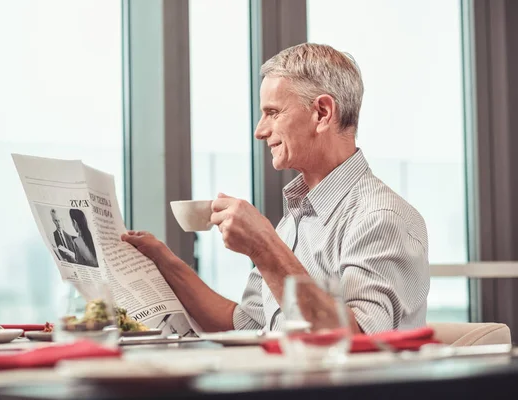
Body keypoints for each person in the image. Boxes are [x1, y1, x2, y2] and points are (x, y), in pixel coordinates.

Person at [122, 43, 429, 334]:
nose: (260, 130)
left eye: (272, 112)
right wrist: (166, 263)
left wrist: (263, 246)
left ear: (322, 113)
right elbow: (245, 324)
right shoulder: (296, 219)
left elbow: (356, 342)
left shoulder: (381, 218)